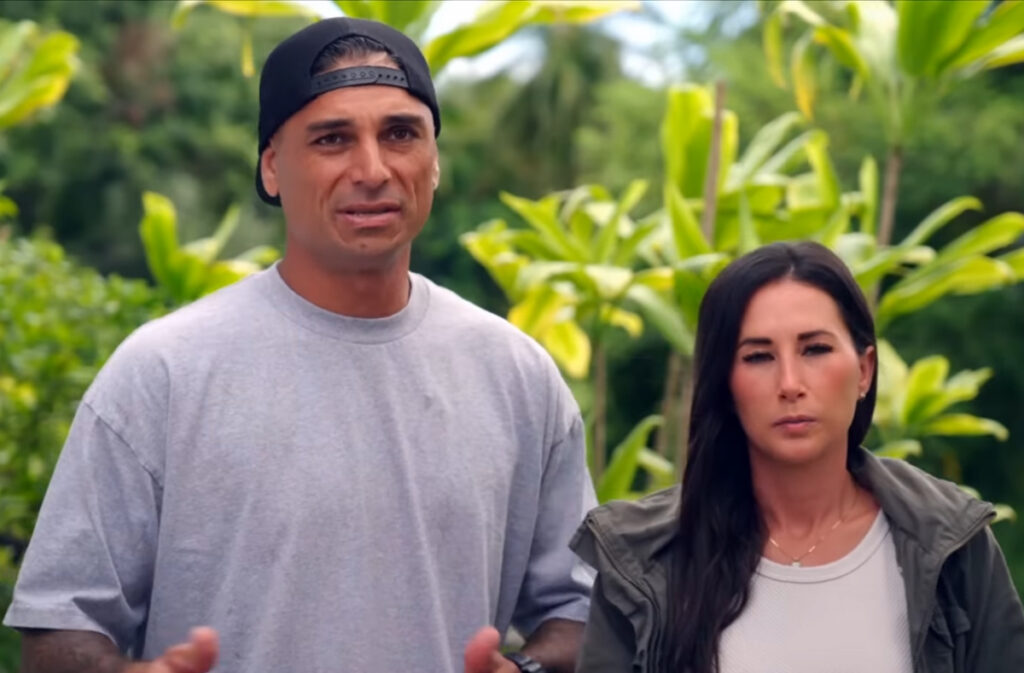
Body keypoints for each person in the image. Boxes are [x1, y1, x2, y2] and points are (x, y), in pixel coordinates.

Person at [4, 18, 594, 673]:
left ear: (434, 162)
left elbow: (585, 611)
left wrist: (530, 668)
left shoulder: (517, 376)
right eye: (332, 138)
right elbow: (59, 629)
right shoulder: (165, 372)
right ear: (272, 168)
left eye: (400, 134)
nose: (372, 170)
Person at [571, 241, 1024, 672]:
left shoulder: (950, 542)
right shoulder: (644, 560)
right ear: (725, 383)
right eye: (758, 357)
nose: (790, 383)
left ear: (864, 370)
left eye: (815, 349)